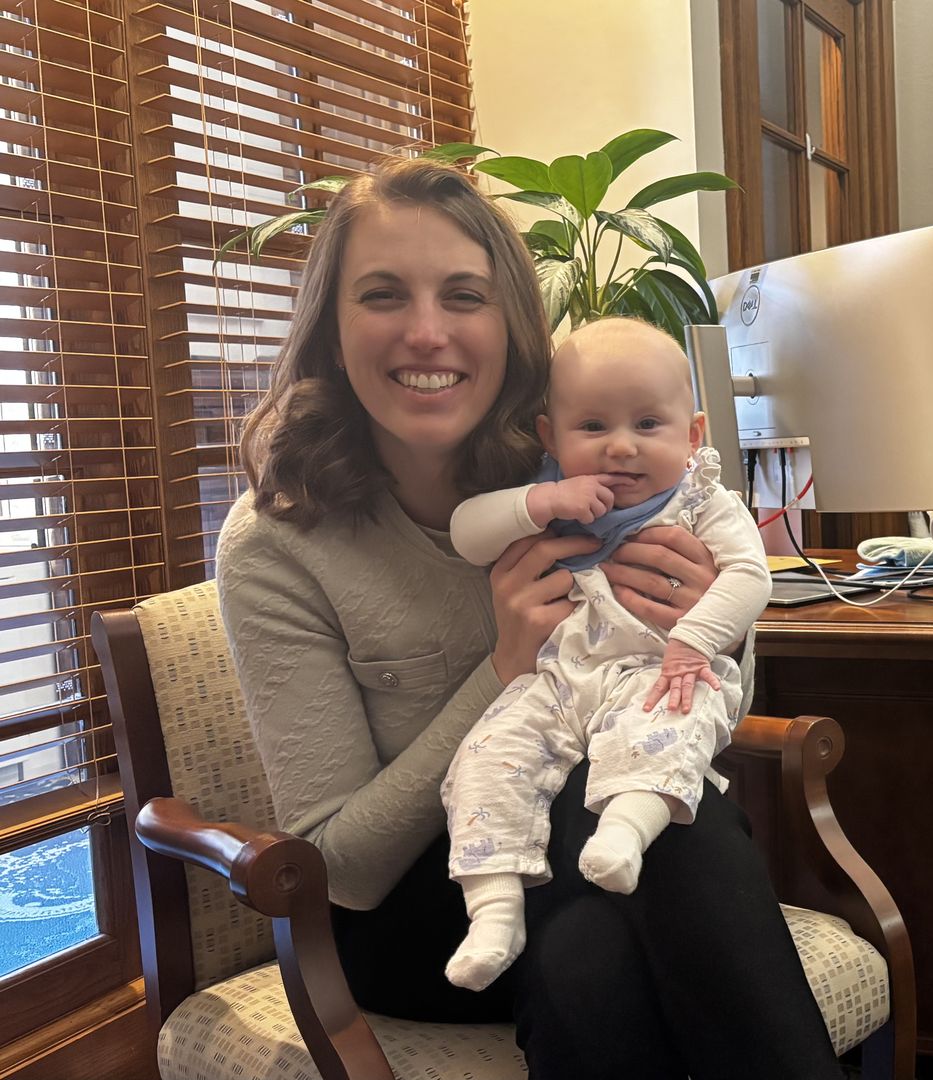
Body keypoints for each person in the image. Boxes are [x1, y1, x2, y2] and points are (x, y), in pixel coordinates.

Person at [216, 156, 843, 1079]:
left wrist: (702, 617)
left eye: (463, 296)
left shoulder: (582, 466)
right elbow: (341, 866)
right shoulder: (279, 541)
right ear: (331, 326)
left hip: (599, 854)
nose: (427, 333)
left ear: (510, 325)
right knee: (667, 852)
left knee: (610, 912)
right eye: (384, 294)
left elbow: (692, 709)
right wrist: (505, 665)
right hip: (416, 911)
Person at [440, 317, 773, 991]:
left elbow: (750, 577)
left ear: (694, 435)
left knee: (671, 727)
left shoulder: (701, 500)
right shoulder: (550, 496)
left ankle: (623, 833)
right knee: (485, 756)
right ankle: (495, 912)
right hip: (559, 678)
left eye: (648, 424)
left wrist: (694, 640)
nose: (620, 447)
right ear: (551, 438)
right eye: (592, 427)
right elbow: (466, 535)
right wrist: (539, 502)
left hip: (657, 672)